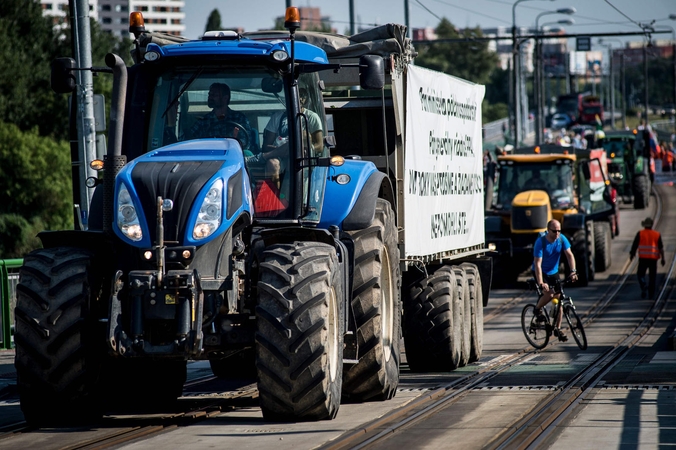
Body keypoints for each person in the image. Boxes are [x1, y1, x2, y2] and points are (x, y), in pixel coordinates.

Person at [260, 87, 324, 189]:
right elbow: (266, 146)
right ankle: (274, 199)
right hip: (279, 155)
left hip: (302, 156)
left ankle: (293, 198)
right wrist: (280, 150)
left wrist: (307, 149)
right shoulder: (277, 117)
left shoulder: (312, 117)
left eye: (301, 96)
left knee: (302, 140)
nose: (298, 99)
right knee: (272, 164)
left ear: (305, 99)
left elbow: (320, 146)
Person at [532, 219, 578, 342]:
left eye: (559, 231)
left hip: (553, 272)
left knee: (559, 299)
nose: (557, 233)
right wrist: (541, 283)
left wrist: (573, 271)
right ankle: (537, 309)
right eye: (554, 231)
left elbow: (569, 255)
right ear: (548, 230)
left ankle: (557, 328)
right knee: (550, 293)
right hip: (541, 271)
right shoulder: (540, 242)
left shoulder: (562, 239)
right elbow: (537, 264)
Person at [188, 82, 258, 152]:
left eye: (214, 95)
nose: (210, 97)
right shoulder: (204, 121)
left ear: (225, 98)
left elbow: (247, 142)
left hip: (234, 155)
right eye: (210, 94)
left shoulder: (239, 118)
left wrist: (235, 141)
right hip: (210, 157)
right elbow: (187, 140)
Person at [629, 217, 665, 299]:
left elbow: (634, 245)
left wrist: (632, 254)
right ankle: (651, 295)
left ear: (644, 225)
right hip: (653, 259)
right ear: (652, 225)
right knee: (652, 277)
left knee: (640, 275)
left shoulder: (640, 233)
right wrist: (663, 259)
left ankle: (644, 285)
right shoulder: (657, 234)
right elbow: (661, 248)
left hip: (643, 259)